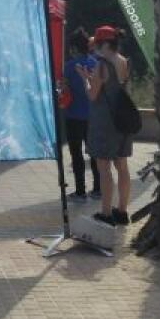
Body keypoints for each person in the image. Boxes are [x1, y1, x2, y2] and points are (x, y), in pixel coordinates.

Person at [79, 25, 132, 227]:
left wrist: (85, 80)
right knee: (122, 166)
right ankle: (122, 211)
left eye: (96, 45)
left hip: (105, 122)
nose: (94, 50)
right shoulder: (124, 61)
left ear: (104, 44)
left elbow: (93, 95)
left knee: (104, 168)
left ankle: (106, 213)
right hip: (122, 120)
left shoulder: (102, 65)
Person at [60, 28, 100, 200]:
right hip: (93, 115)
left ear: (74, 47)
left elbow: (64, 90)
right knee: (95, 153)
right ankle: (98, 189)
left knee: (76, 154)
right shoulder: (95, 64)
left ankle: (80, 190)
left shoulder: (69, 67)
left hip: (73, 115)